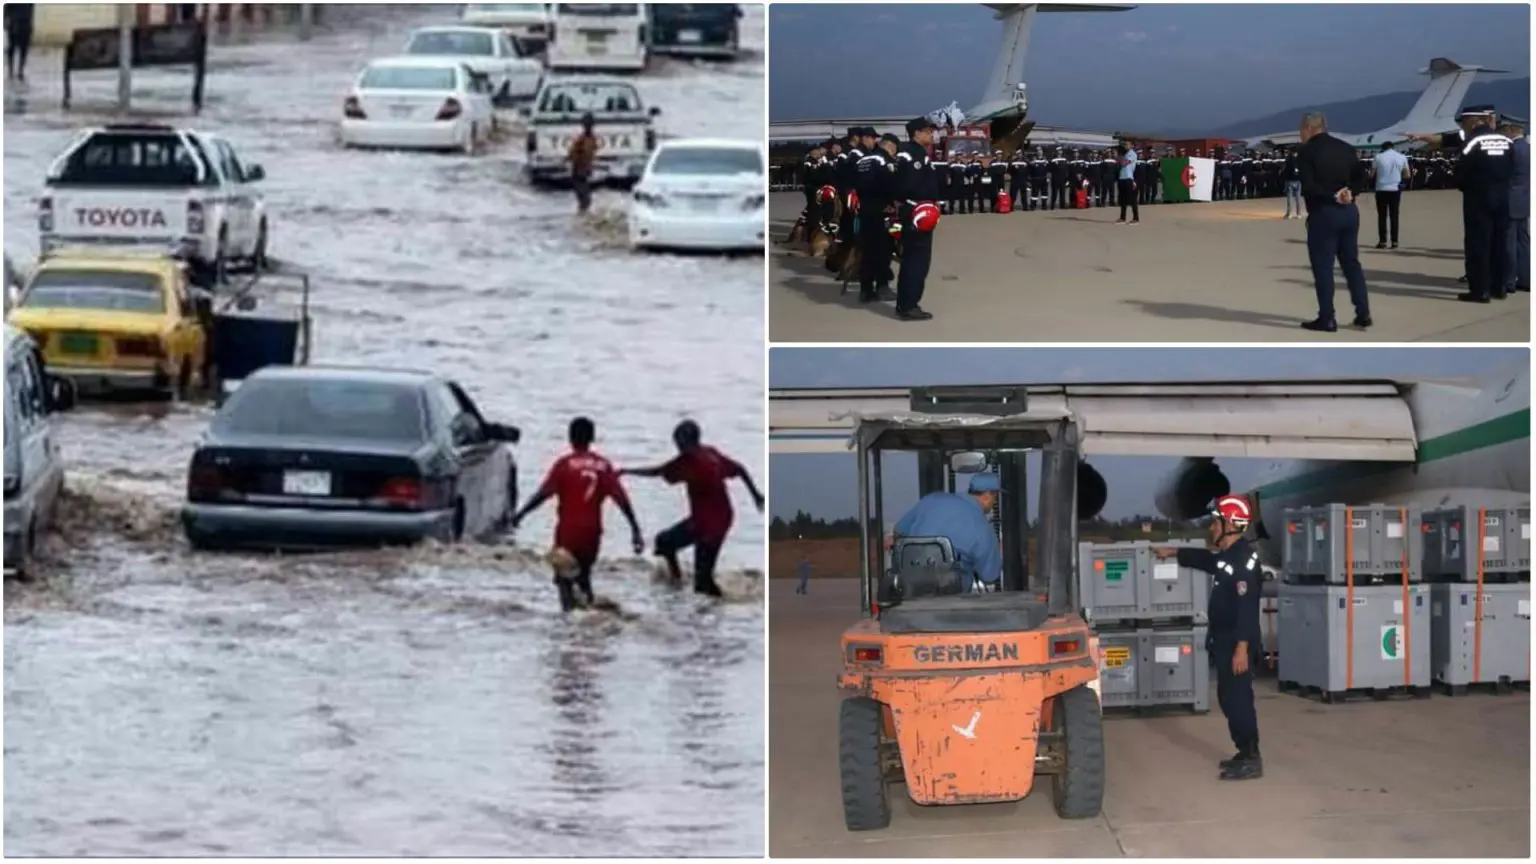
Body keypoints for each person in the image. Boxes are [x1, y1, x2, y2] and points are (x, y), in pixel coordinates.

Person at [1152, 495, 1263, 781]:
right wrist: (1174, 552)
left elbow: (1247, 609)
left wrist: (1242, 648)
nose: (1211, 529)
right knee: (1228, 699)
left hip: (1237, 642)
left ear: (1230, 524)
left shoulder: (1243, 563)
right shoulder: (1229, 556)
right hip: (1225, 640)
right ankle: (1243, 751)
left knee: (1238, 700)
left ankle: (1252, 758)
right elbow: (1208, 561)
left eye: (1215, 523)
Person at [510, 417, 645, 613]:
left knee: (564, 581)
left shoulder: (564, 465)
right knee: (584, 577)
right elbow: (622, 500)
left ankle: (569, 624)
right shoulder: (604, 466)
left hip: (568, 534)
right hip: (592, 534)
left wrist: (521, 514)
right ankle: (588, 622)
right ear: (592, 438)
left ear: (570, 438)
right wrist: (635, 529)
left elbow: (543, 495)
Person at [622, 420, 764, 598]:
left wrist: (627, 471)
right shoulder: (710, 453)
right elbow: (740, 469)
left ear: (684, 440)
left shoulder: (689, 459)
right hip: (718, 518)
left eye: (678, 442)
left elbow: (658, 471)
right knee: (665, 542)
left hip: (707, 524)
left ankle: (716, 607)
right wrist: (756, 494)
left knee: (702, 582)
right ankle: (677, 580)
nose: (677, 447)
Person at [1406, 106, 1513, 299]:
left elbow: (1462, 170)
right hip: (1503, 196)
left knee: (1478, 243)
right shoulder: (1506, 140)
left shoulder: (1472, 142)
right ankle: (1500, 286)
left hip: (1478, 197)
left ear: (1473, 120)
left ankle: (1480, 290)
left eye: (1463, 122)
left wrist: (1461, 184)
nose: (1462, 126)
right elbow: (1512, 167)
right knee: (1499, 242)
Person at [1296, 112, 1371, 332]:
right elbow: (1362, 176)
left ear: (1309, 128)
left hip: (1324, 213)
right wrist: (1350, 192)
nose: (1300, 135)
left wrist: (1332, 196)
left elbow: (1308, 186)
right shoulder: (1346, 148)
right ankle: (1363, 312)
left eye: (1301, 130)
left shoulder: (1307, 151)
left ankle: (1327, 317)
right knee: (1351, 264)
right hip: (1349, 212)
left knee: (1323, 267)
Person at [890, 474, 1004, 593]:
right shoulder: (983, 527)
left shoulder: (931, 500)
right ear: (987, 496)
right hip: (952, 598)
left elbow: (898, 531)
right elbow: (989, 576)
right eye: (995, 497)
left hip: (910, 587)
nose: (994, 503)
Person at [893, 116, 940, 321]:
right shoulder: (914, 155)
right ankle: (909, 305)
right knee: (917, 261)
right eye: (928, 131)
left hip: (913, 210)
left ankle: (905, 302)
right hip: (917, 213)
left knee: (911, 259)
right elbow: (909, 185)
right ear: (917, 133)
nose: (931, 134)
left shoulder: (911, 152)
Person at [854, 133, 900, 303]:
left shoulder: (863, 160)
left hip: (865, 209)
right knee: (884, 248)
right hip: (882, 210)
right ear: (891, 146)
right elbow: (889, 184)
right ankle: (882, 285)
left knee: (867, 249)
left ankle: (866, 289)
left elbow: (858, 184)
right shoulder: (884, 161)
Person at [1499, 114, 1529, 295]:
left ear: (1511, 130)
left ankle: (1508, 280)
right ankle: (1526, 278)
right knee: (1523, 241)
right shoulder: (1528, 149)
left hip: (1510, 199)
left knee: (1508, 242)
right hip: (1525, 200)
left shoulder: (1512, 150)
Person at [1370, 141, 1410, 249]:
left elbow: (1372, 174)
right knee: (1394, 216)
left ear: (1383, 148)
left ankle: (1382, 241)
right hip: (1395, 188)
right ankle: (1394, 241)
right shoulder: (1401, 157)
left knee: (1382, 216)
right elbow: (1407, 175)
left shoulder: (1378, 157)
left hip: (1381, 189)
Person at [566, 113, 601, 215]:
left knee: (585, 201)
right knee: (586, 200)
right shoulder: (581, 140)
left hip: (584, 172)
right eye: (587, 124)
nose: (589, 126)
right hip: (578, 173)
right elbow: (572, 154)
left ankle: (581, 218)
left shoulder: (592, 139)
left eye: (590, 124)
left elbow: (591, 155)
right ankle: (581, 219)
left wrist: (589, 167)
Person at [5, 4, 33, 82]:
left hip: (25, 22)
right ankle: (11, 70)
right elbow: (6, 7)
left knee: (24, 48)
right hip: (14, 21)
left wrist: (31, 24)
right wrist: (6, 20)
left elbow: (31, 10)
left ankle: (20, 70)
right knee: (12, 47)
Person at [1116, 141, 1140, 225]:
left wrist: (1118, 157)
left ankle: (1136, 218)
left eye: (1126, 144)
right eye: (1124, 145)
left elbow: (1124, 163)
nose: (1124, 146)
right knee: (1123, 200)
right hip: (1122, 178)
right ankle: (1123, 218)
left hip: (1128, 178)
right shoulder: (1125, 154)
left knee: (1132, 199)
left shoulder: (1132, 154)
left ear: (1131, 146)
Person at [1282, 147, 1303, 219]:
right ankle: (1299, 213)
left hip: (1290, 180)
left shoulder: (1288, 159)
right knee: (1298, 197)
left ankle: (1289, 214)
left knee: (1290, 197)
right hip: (1298, 181)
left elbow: (1285, 170)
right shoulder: (1300, 160)